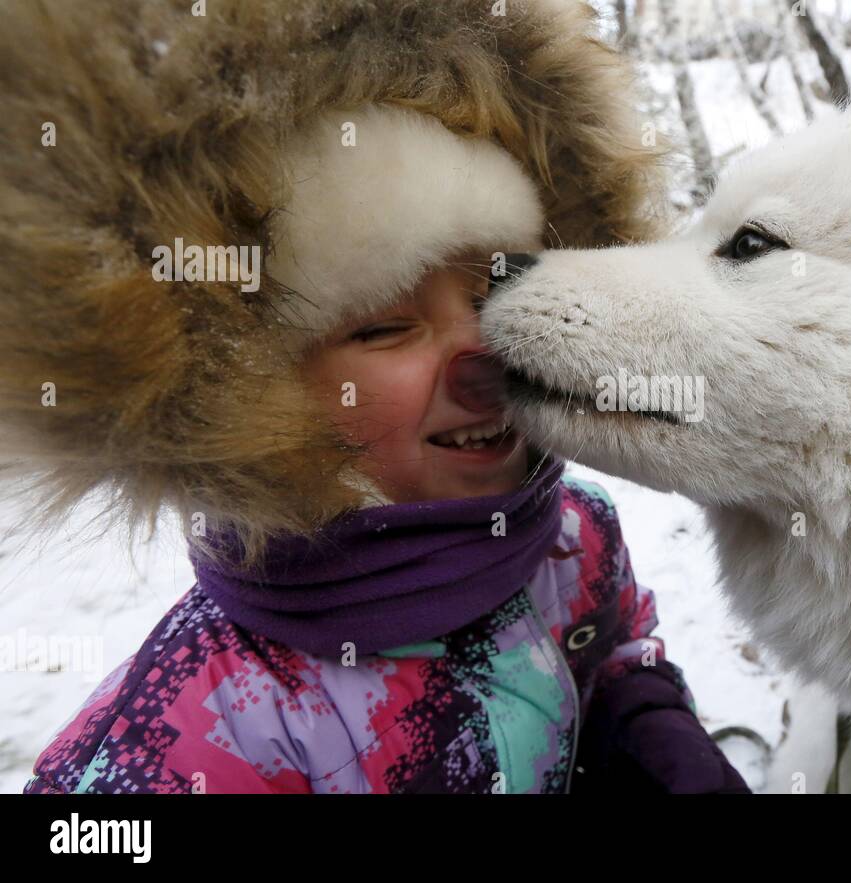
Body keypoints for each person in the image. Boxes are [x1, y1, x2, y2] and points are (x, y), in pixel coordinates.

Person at [2, 0, 747, 794]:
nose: (483, 356)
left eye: (505, 287)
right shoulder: (198, 731)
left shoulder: (574, 535)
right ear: (251, 390)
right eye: (387, 326)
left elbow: (617, 647)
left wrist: (646, 723)